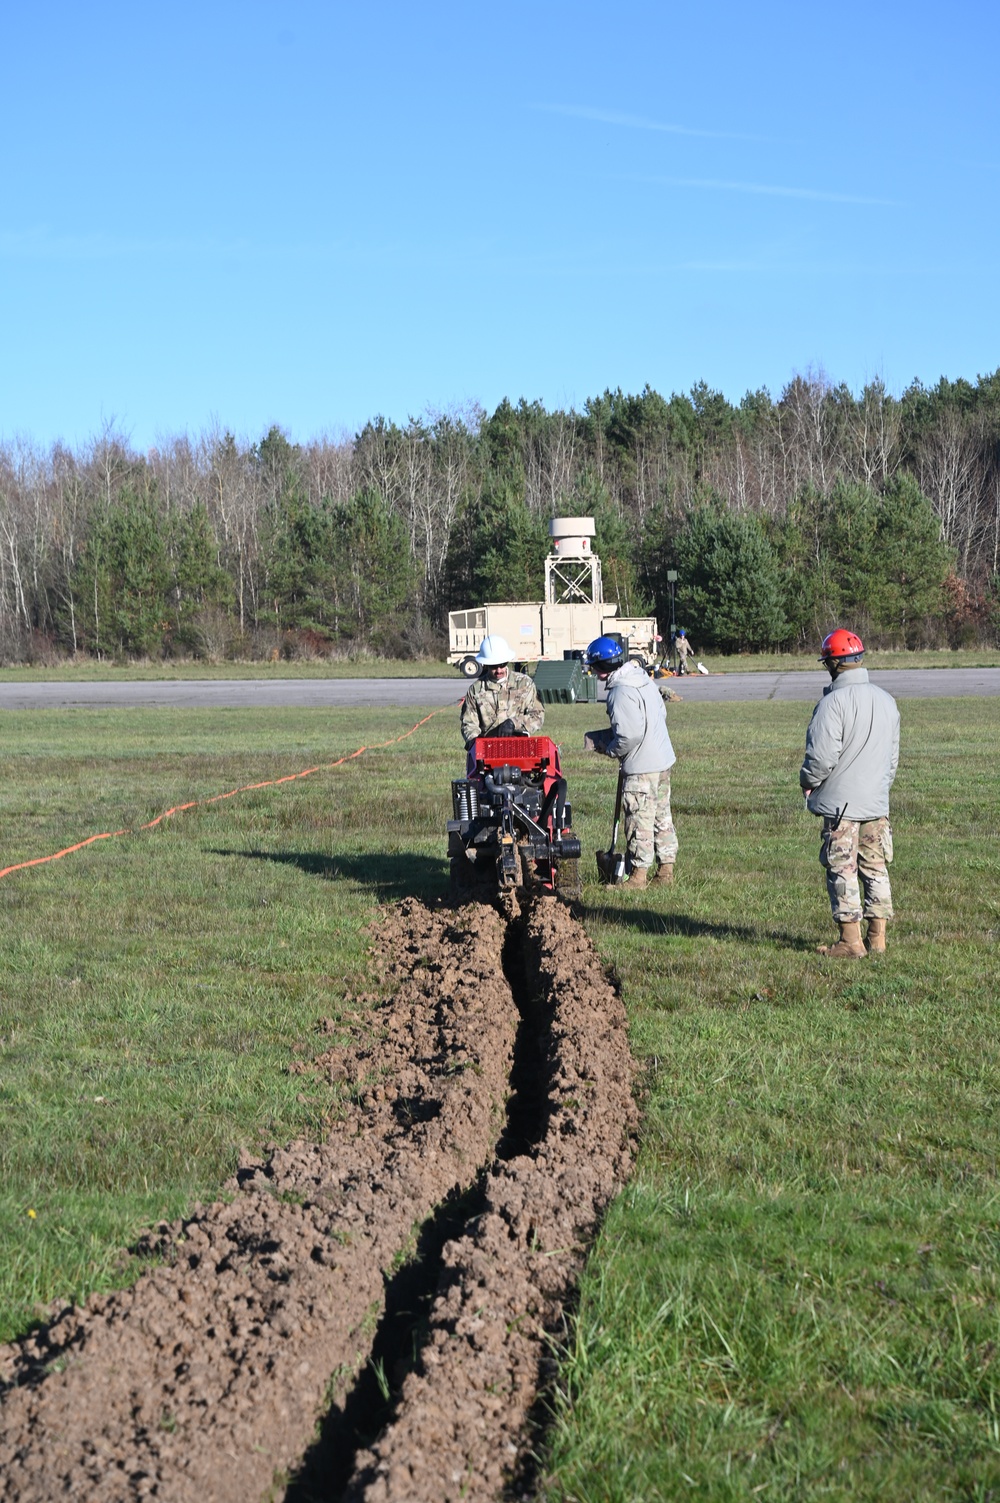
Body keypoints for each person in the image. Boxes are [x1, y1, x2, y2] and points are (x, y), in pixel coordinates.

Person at [800, 629, 900, 958]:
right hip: (876, 801)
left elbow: (821, 758)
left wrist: (807, 779)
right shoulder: (887, 701)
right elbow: (892, 759)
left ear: (833, 664)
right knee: (876, 867)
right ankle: (878, 939)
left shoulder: (832, 703)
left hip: (842, 805)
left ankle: (850, 941)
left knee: (842, 867)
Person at [585, 635, 678, 889]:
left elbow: (629, 734)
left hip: (642, 767)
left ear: (600, 668)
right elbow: (661, 712)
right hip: (661, 760)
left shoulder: (619, 691)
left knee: (639, 820)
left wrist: (613, 750)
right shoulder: (641, 679)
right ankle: (666, 872)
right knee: (661, 816)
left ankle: (637, 877)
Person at [460, 634, 545, 749]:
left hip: (520, 747)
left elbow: (537, 716)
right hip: (488, 749)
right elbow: (469, 723)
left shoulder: (525, 684)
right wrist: (474, 741)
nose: (499, 670)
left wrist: (514, 723)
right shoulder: (476, 690)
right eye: (493, 666)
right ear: (486, 664)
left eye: (502, 664)